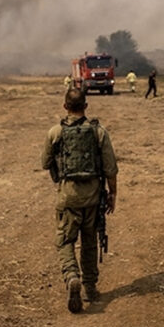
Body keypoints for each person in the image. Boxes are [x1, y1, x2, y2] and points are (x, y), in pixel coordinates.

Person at [41, 88, 118, 313]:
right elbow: (111, 168)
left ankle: (71, 275)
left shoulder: (55, 132)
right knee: (90, 241)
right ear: (86, 106)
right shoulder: (99, 132)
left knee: (65, 241)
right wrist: (113, 194)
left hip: (68, 196)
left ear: (65, 107)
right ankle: (90, 288)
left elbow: (45, 162)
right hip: (94, 197)